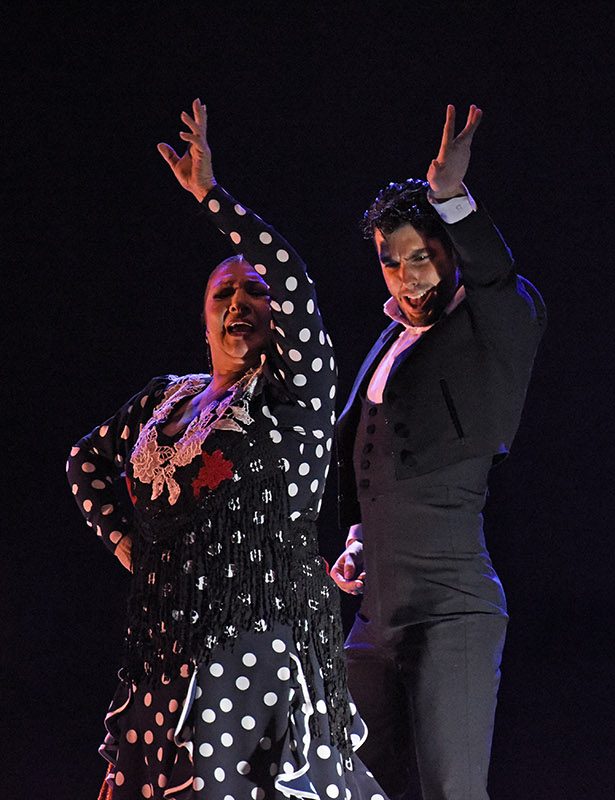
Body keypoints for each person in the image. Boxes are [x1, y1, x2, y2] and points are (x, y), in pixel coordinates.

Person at [67, 99, 386, 799]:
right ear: (204, 312)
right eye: (224, 292)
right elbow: (84, 462)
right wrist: (130, 545)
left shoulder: (292, 396)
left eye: (254, 292)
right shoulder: (166, 399)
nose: (240, 301)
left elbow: (296, 283)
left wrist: (212, 197)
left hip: (261, 632)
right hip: (165, 641)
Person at [329, 105, 546, 800]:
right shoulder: (390, 343)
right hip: (375, 617)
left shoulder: (493, 328)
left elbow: (496, 278)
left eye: (422, 256)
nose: (407, 277)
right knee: (350, 784)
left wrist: (453, 199)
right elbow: (379, 459)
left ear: (449, 251)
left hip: (451, 606)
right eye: (392, 263)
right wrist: (361, 536)